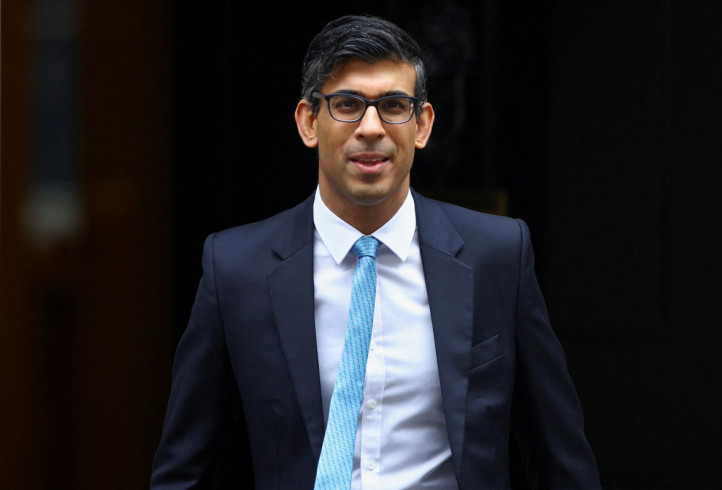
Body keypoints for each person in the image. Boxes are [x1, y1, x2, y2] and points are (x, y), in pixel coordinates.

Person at [151, 15, 600, 489]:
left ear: (422, 124)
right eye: (347, 104)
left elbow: (560, 458)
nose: (370, 128)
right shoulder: (237, 269)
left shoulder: (497, 256)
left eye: (393, 105)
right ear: (308, 122)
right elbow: (186, 469)